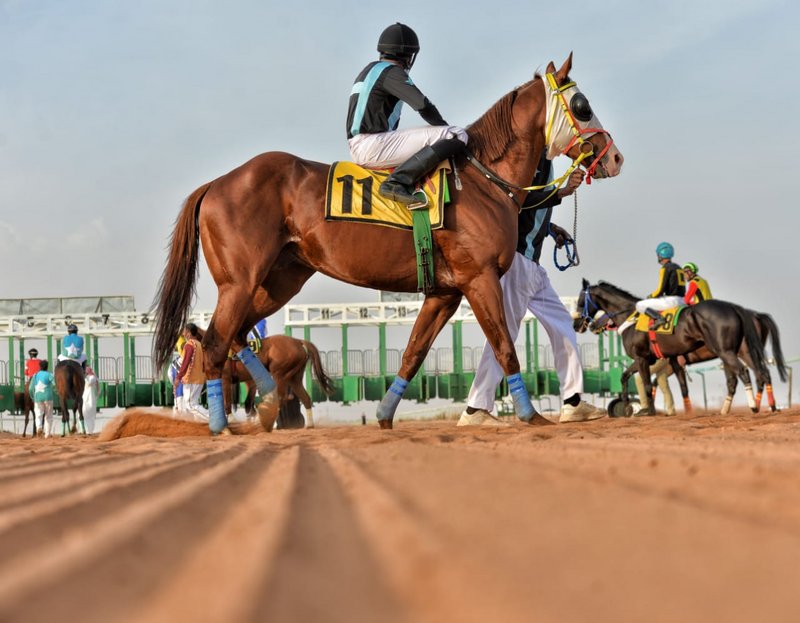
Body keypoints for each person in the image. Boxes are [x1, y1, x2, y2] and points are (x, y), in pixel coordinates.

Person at [459, 153, 605, 426]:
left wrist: (550, 228)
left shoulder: (544, 162)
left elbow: (531, 209)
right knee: (505, 334)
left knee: (562, 323)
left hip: (532, 267)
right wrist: (562, 192)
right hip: (518, 262)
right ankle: (475, 408)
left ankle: (573, 403)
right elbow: (518, 201)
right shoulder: (531, 159)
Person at [346, 22, 468, 206]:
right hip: (372, 145)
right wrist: (445, 131)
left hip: (362, 144)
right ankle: (396, 182)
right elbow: (423, 105)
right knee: (457, 133)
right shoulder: (392, 72)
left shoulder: (370, 70)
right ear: (408, 56)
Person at [634, 242, 686, 329]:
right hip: (682, 301)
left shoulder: (665, 268)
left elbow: (660, 290)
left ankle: (659, 318)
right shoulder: (678, 267)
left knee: (639, 305)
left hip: (671, 301)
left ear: (661, 254)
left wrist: (649, 297)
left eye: (658, 254)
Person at [173, 323, 207, 421]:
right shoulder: (199, 344)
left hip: (191, 379)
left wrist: (178, 377)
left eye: (184, 331)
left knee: (191, 405)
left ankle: (215, 420)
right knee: (193, 404)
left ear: (188, 332)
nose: (183, 333)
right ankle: (201, 423)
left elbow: (185, 363)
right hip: (199, 379)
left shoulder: (189, 345)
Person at [29, 360, 56, 438]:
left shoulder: (35, 375)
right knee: (48, 415)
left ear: (40, 367)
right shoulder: (50, 375)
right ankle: (47, 434)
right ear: (47, 367)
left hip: (37, 397)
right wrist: (55, 391)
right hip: (48, 397)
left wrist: (32, 396)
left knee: (38, 415)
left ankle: (39, 428)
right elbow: (55, 385)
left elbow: (30, 388)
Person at [82, 366, 100, 434]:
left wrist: (85, 377)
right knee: (85, 413)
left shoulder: (92, 377)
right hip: (86, 396)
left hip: (90, 397)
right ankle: (86, 430)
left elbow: (90, 383)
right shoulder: (87, 377)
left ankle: (90, 430)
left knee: (91, 413)